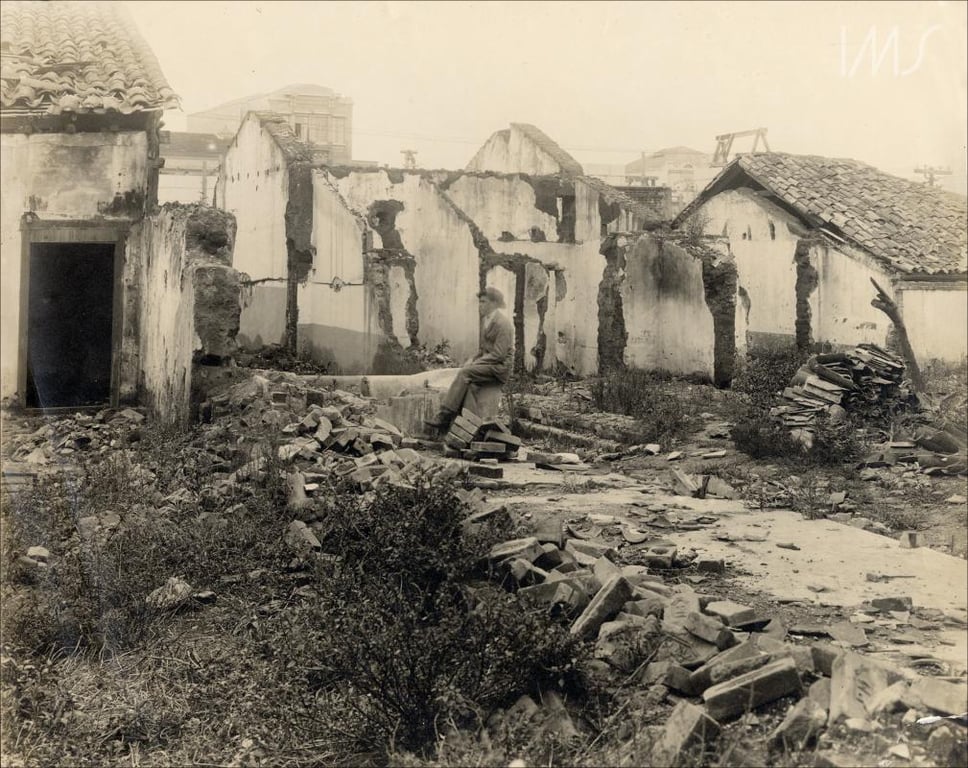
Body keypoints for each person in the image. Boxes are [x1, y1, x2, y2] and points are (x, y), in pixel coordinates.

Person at [425, 286, 514, 431]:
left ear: (493, 304)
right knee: (470, 385)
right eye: (479, 302)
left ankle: (444, 415)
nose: (480, 305)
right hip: (490, 364)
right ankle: (472, 425)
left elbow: (499, 354)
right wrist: (472, 359)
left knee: (465, 373)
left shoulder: (503, 324)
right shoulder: (487, 321)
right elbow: (483, 349)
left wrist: (475, 364)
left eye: (483, 302)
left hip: (500, 368)